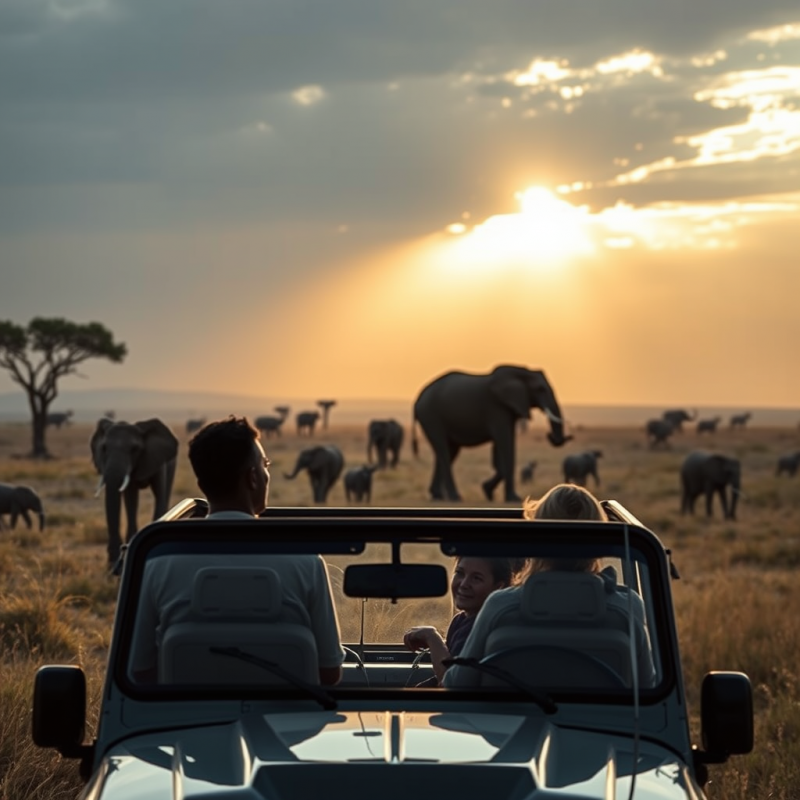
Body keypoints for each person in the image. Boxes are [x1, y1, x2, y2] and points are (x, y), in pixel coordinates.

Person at [128, 415, 345, 685]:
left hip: (184, 721)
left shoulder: (159, 562)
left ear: (202, 485)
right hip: (289, 722)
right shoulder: (305, 561)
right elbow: (329, 673)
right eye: (265, 465)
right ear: (253, 477)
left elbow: (140, 671)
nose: (268, 473)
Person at [442, 483, 657, 688]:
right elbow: (649, 690)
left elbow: (457, 684)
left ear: (536, 536)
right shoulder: (627, 608)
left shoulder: (500, 606)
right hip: (606, 726)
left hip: (506, 723)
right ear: (600, 537)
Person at [403, 556, 527, 685]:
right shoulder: (461, 620)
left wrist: (432, 637)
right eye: (460, 573)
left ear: (498, 587)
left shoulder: (482, 626)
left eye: (476, 578)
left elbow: (449, 682)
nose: (463, 584)